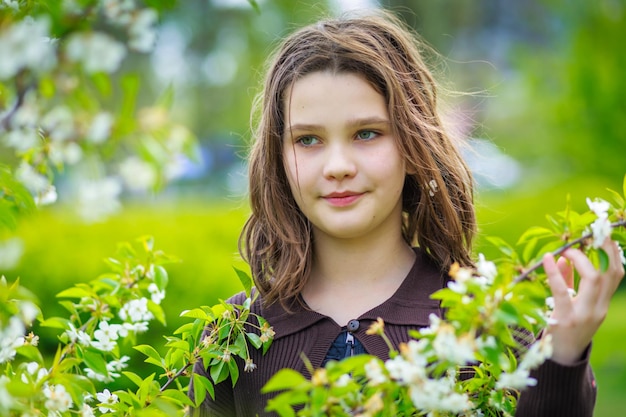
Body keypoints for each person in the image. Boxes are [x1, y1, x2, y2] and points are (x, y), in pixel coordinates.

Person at [189, 9, 625, 417]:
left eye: (367, 133)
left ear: (413, 147)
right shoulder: (234, 339)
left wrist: (563, 355)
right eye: (308, 140)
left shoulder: (488, 320)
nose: (338, 165)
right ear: (279, 159)